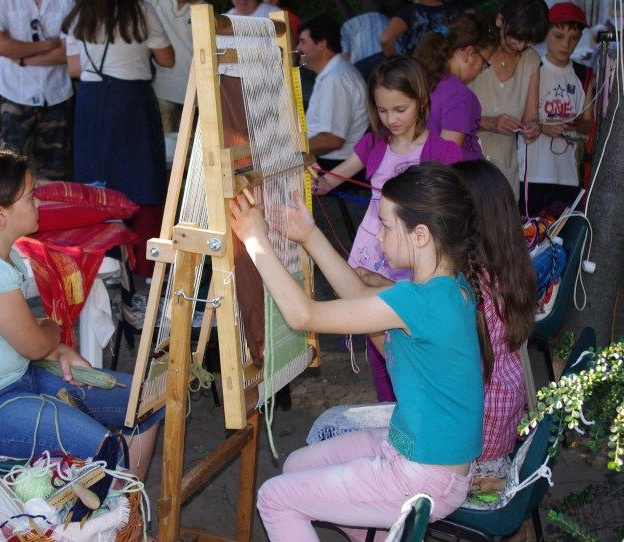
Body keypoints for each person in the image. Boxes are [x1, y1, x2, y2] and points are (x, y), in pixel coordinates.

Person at [229, 162, 487, 540]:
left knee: (275, 498)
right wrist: (309, 235)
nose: (378, 236)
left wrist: (255, 239)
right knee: (296, 466)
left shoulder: (422, 301)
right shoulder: (449, 287)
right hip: (420, 455)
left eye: (386, 225)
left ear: (420, 235)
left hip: (425, 474)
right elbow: (360, 297)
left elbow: (302, 315)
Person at [0, 151, 162, 480]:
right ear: (0, 215)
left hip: (13, 380)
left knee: (146, 400)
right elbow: (34, 344)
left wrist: (54, 347)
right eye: (31, 197)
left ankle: (126, 501)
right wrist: (52, 330)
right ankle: (115, 500)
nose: (39, 203)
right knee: (104, 449)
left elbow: (29, 341)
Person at [309, 159, 537, 466]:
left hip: (465, 443)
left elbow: (409, 335)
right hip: (490, 427)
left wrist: (377, 312)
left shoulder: (470, 289)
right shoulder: (497, 277)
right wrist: (388, 290)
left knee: (328, 430)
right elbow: (431, 315)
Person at [313, 56, 462, 401]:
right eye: (382, 110)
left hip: (415, 261)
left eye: (400, 109)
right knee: (377, 339)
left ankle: (410, 407)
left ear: (421, 101)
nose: (391, 119)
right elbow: (328, 182)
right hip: (373, 251)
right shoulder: (374, 144)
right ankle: (387, 408)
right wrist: (312, 174)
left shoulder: (443, 152)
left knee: (409, 341)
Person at [63, 0, 175, 279]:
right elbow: (167, 59)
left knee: (96, 182)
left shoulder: (78, 13)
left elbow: (73, 67)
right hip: (131, 101)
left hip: (91, 101)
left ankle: (104, 264)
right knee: (143, 180)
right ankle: (148, 267)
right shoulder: (141, 10)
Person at [468, 0, 549, 198]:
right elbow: (444, 114)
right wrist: (488, 123)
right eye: (517, 37)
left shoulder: (531, 60)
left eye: (528, 41)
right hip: (467, 169)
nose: (520, 45)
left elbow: (531, 118)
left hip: (504, 173)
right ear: (499, 20)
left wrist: (533, 128)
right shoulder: (473, 52)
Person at [0, 0, 73, 180]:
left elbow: (68, 51)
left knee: (56, 175)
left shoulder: (66, 2)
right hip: (14, 96)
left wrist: (23, 59)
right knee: (10, 175)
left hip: (57, 96)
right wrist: (47, 46)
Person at [523, 2, 593, 211]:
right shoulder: (532, 67)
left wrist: (574, 127)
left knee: (563, 227)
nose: (566, 45)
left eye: (574, 38)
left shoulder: (584, 75)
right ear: (545, 33)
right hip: (531, 171)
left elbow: (588, 124)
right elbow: (517, 116)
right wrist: (543, 127)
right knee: (530, 226)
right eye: (558, 36)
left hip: (567, 173)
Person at [412, 13, 497, 160]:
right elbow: (446, 159)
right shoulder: (459, 95)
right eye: (485, 63)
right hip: (451, 173)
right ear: (469, 53)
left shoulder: (423, 78)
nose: (481, 70)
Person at [297, 16, 369, 172]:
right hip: (330, 163)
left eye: (303, 42)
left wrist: (290, 150)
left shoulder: (336, 79)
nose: (298, 48)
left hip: (336, 169)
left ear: (322, 43)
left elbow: (332, 140)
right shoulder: (333, 74)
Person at [149, 0, 204, 133]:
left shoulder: (204, 10)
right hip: (161, 94)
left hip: (194, 97)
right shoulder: (154, 3)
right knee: (166, 143)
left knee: (190, 144)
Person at [380, 0, 459, 56]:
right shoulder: (453, 11)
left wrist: (396, 64)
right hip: (445, 66)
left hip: (417, 69)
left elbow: (386, 39)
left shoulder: (410, 12)